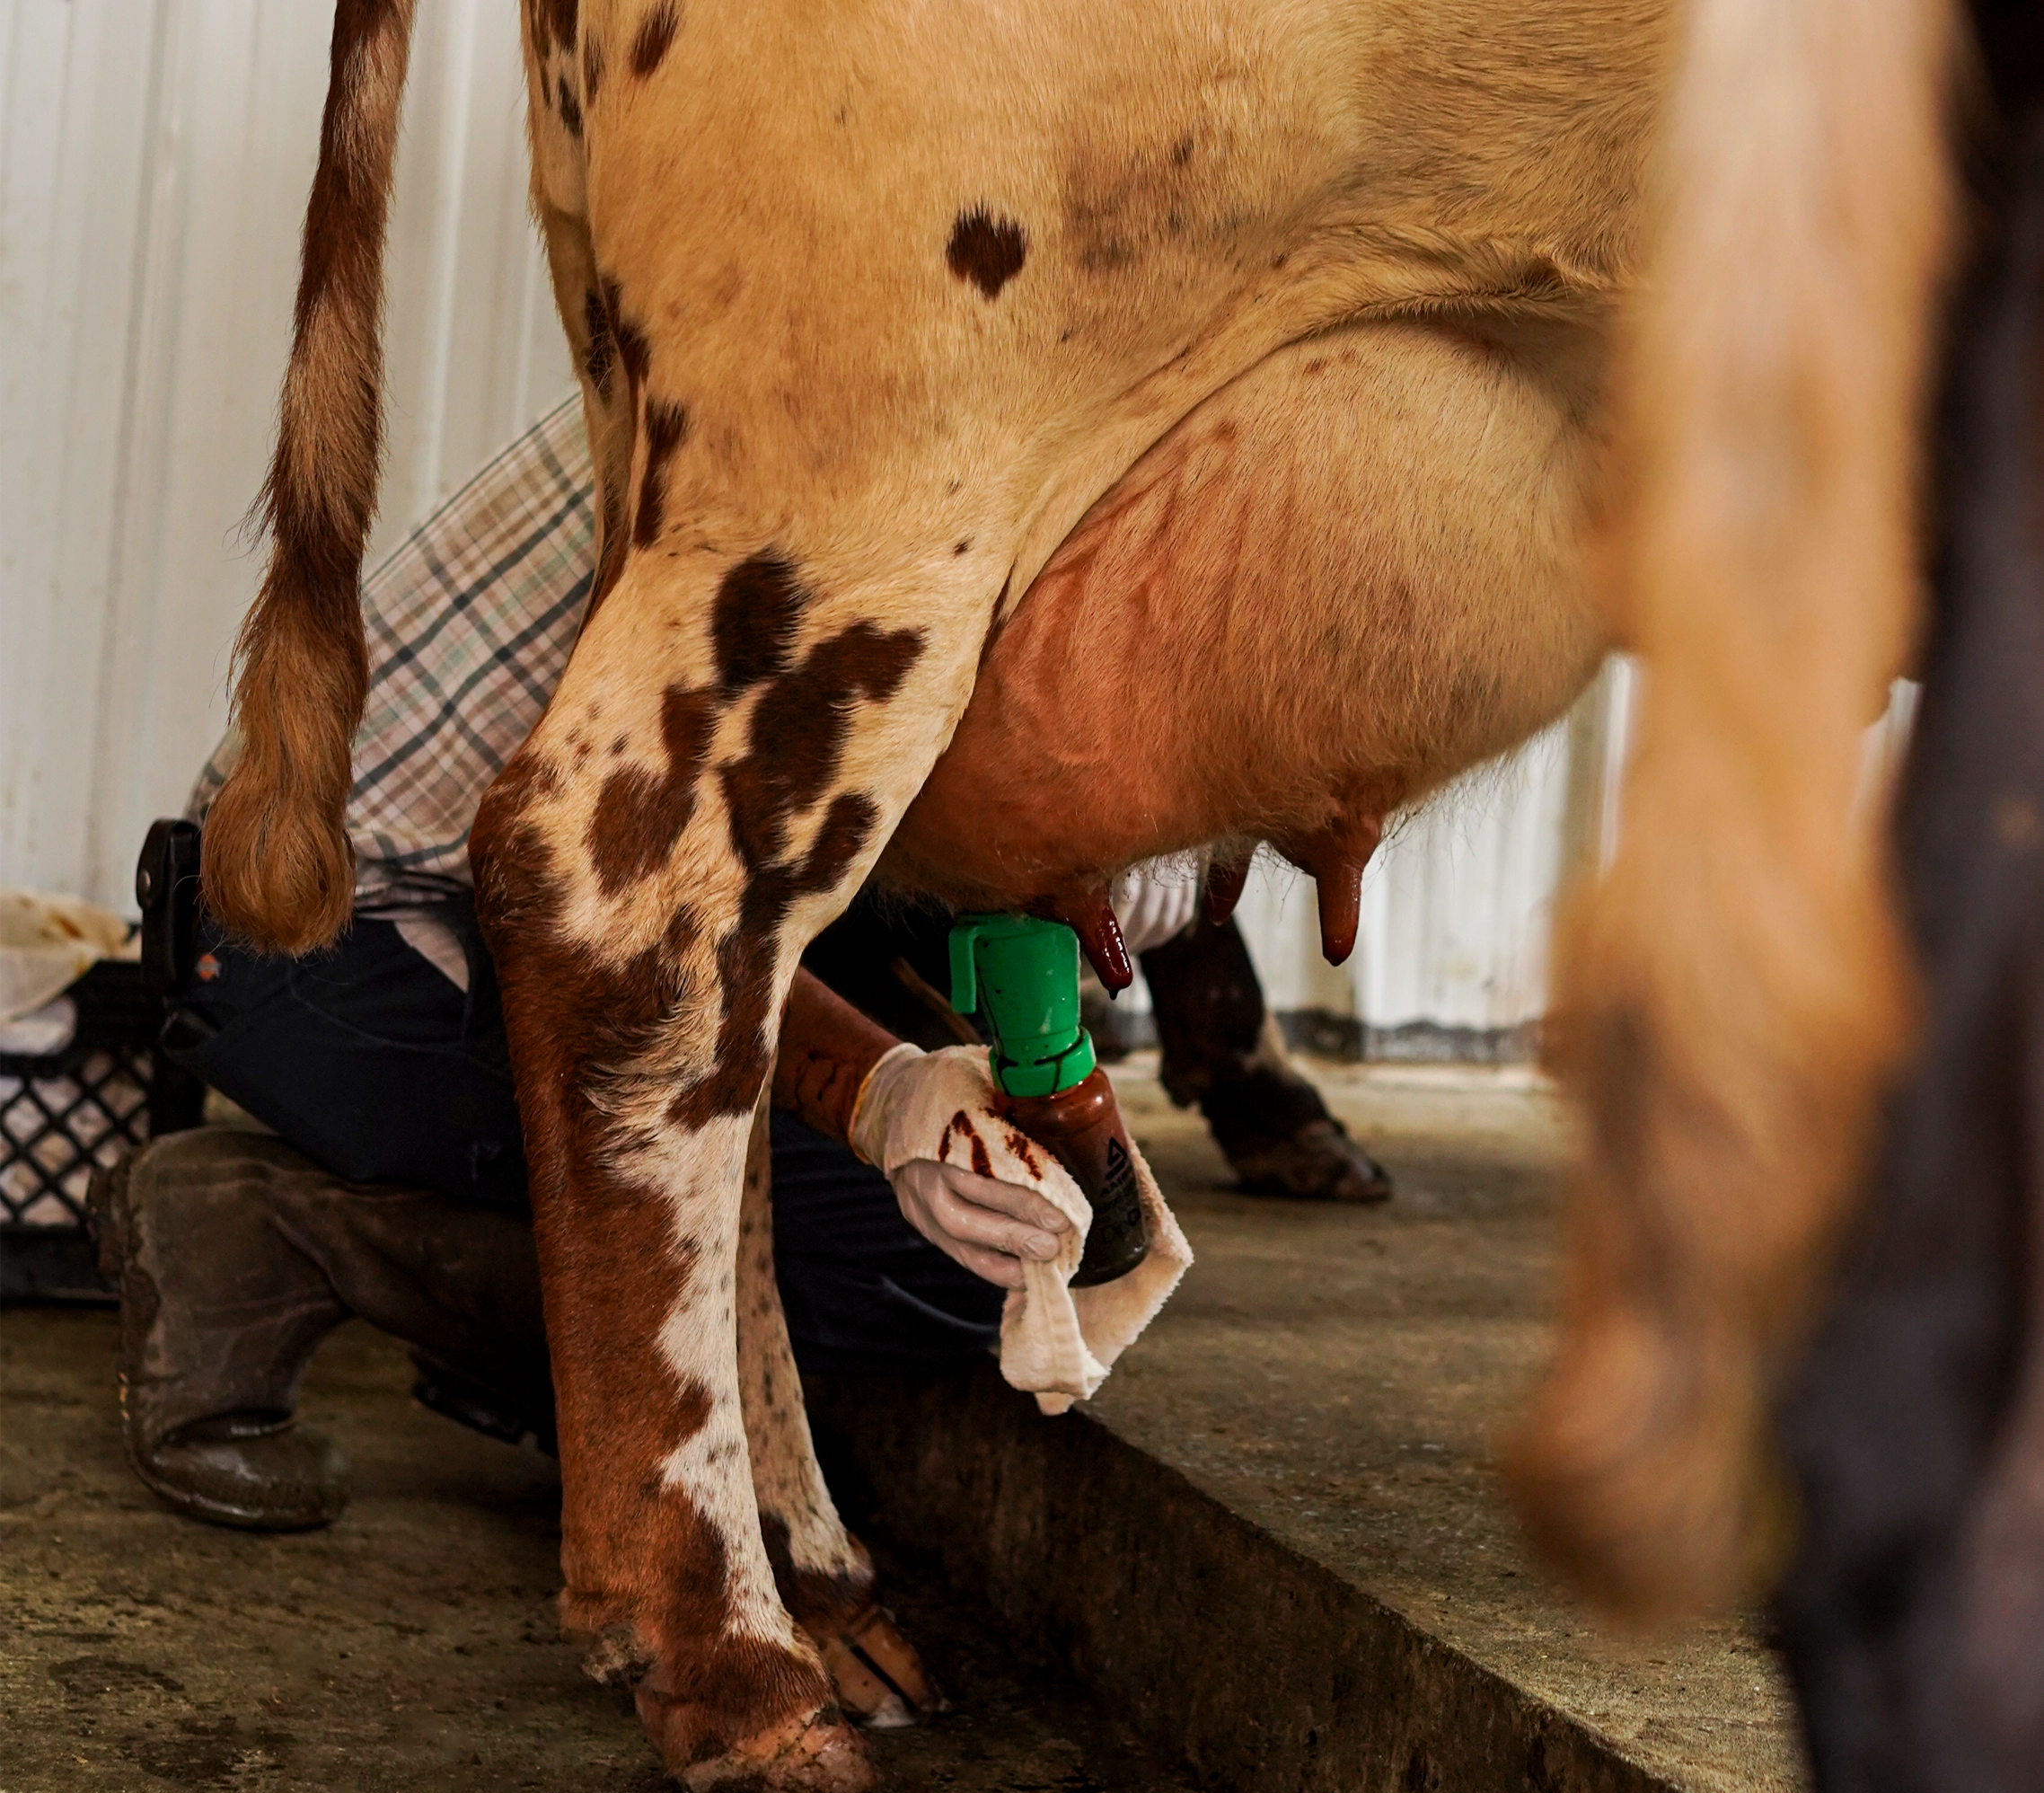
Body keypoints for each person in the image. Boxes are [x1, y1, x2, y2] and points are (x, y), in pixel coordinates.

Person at [96, 399, 1383, 1532]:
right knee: (924, 1271)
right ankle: (278, 1238)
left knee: (1021, 1227)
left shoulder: (1033, 425)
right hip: (337, 932)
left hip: (539, 902)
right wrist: (880, 1094)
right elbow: (644, 895)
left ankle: (508, 1309)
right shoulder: (876, 480)